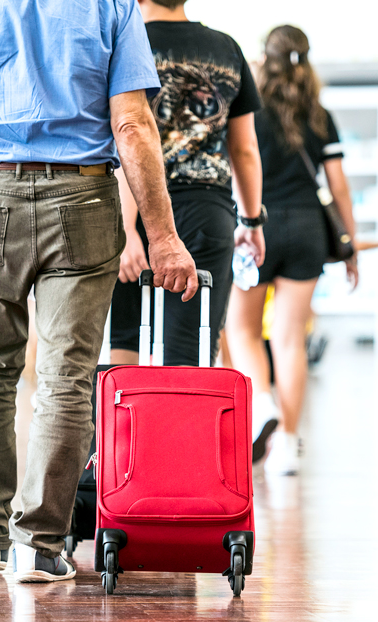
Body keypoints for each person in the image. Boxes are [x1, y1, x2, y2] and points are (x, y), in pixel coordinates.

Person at [0, 0, 198, 583]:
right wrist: (162, 236)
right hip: (83, 198)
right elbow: (133, 123)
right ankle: (37, 544)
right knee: (66, 377)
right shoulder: (113, 5)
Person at [225, 25, 358, 476]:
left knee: (241, 329)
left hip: (255, 224)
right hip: (306, 229)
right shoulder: (319, 115)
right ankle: (288, 443)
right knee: (289, 336)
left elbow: (237, 165)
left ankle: (262, 401)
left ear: (265, 58)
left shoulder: (248, 111)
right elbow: (337, 185)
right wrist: (350, 246)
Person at [107, 0, 265, 373]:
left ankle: (125, 430)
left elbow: (122, 134)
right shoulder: (227, 48)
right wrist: (252, 221)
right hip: (206, 210)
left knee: (124, 338)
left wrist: (126, 227)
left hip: (135, 202)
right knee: (192, 347)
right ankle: (180, 431)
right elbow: (244, 149)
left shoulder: (124, 40)